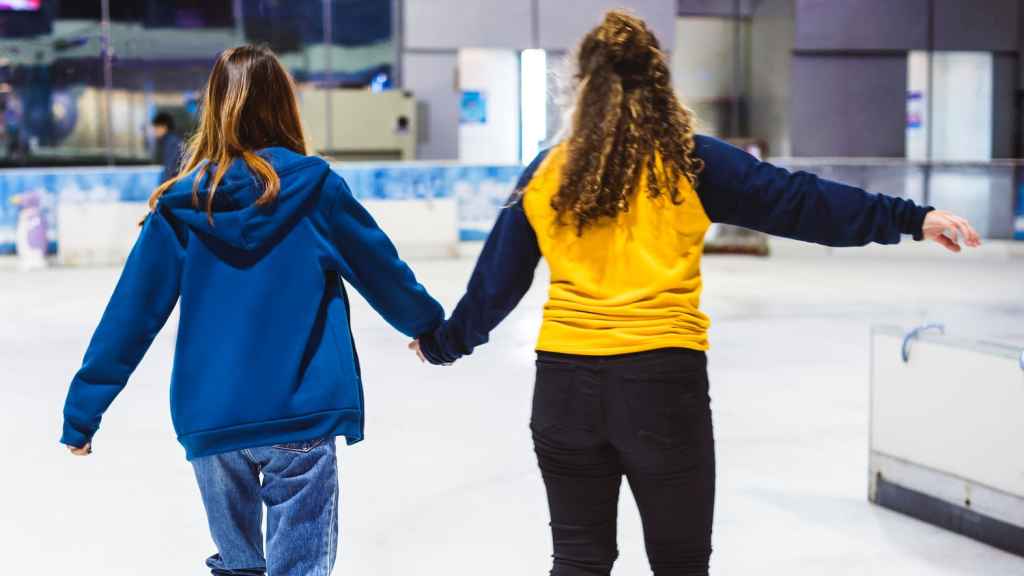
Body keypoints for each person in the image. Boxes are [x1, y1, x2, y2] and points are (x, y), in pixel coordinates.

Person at [413, 11, 980, 576]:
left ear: (581, 88)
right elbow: (799, 202)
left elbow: (494, 284)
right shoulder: (688, 159)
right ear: (660, 82)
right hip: (660, 388)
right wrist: (911, 217)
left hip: (565, 389)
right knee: (680, 565)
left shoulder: (548, 172)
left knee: (579, 563)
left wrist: (443, 343)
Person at [60, 45, 443, 576]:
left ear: (212, 108)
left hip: (213, 421)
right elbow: (383, 271)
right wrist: (432, 331)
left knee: (239, 569)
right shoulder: (314, 191)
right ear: (284, 106)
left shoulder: (181, 206)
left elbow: (130, 315)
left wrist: (83, 411)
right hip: (298, 414)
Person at [151, 111, 184, 184]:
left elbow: (170, 170)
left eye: (156, 128)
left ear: (164, 127)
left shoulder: (172, 143)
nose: (154, 132)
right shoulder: (173, 140)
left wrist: (162, 189)